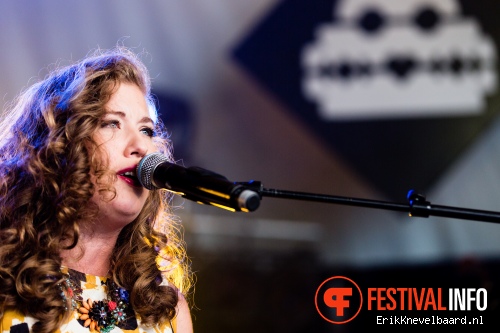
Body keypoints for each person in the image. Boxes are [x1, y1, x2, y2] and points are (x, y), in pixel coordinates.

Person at [0, 47, 193, 333]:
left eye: (147, 130)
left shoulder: (167, 310)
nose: (141, 146)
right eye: (111, 123)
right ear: (58, 147)